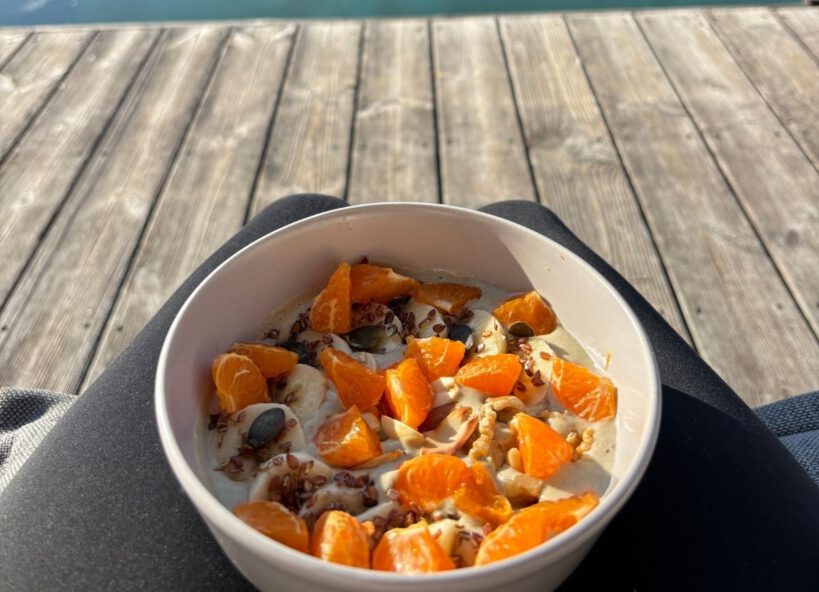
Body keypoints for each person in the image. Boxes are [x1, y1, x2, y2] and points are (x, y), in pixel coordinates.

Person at [0, 195, 817, 590]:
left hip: (511, 489)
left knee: (304, 211)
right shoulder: (308, 388)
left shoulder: (489, 401)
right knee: (504, 215)